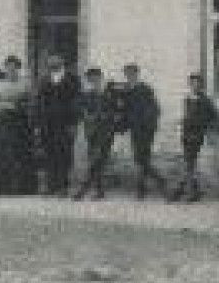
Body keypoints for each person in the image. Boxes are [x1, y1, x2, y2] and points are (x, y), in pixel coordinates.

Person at [0, 56, 36, 195]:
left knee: (18, 152)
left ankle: (20, 187)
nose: (11, 70)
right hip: (2, 120)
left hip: (19, 121)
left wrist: (21, 106)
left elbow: (30, 102)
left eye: (14, 67)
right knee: (1, 151)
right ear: (5, 68)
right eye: (8, 67)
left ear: (18, 68)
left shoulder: (25, 84)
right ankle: (1, 186)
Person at [34, 54, 80, 196]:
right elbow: (38, 102)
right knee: (49, 153)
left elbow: (76, 103)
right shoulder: (44, 80)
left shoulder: (72, 80)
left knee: (64, 153)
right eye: (51, 62)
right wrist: (37, 123)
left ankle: (62, 186)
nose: (53, 64)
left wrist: (73, 124)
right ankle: (50, 185)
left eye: (56, 61)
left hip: (65, 123)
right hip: (47, 123)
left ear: (62, 62)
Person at [170, 72, 219, 203]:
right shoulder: (187, 99)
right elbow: (188, 116)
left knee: (189, 163)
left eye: (197, 83)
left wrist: (210, 131)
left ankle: (183, 191)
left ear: (201, 85)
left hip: (197, 135)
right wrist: (182, 122)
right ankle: (193, 191)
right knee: (189, 163)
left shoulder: (205, 101)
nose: (194, 85)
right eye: (192, 83)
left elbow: (215, 117)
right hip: (186, 135)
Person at [120, 63, 167, 200]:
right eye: (127, 74)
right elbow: (123, 110)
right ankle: (156, 181)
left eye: (131, 74)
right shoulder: (126, 90)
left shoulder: (145, 89)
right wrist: (123, 125)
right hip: (134, 129)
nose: (129, 77)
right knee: (139, 158)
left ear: (137, 74)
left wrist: (148, 124)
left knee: (142, 158)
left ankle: (143, 188)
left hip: (146, 129)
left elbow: (155, 109)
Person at [72, 67, 117, 200]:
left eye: (96, 78)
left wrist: (106, 116)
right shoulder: (87, 95)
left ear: (100, 78)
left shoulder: (109, 94)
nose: (93, 81)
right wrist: (86, 114)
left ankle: (84, 190)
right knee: (96, 160)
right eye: (90, 79)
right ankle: (99, 190)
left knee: (98, 160)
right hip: (91, 132)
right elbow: (78, 107)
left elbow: (116, 110)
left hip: (106, 132)